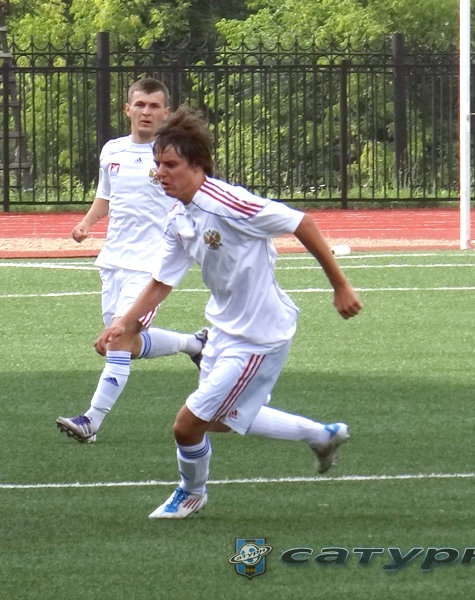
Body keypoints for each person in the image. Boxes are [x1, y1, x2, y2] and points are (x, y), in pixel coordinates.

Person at [95, 106, 363, 519]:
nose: (160, 173)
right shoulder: (178, 216)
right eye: (157, 164)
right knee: (226, 418)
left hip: (259, 336)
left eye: (170, 165)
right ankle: (321, 435)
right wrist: (123, 325)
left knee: (188, 424)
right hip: (222, 329)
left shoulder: (229, 203)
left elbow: (302, 223)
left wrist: (340, 285)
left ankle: (191, 493)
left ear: (197, 165)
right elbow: (161, 281)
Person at [56, 78, 207, 444]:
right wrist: (87, 223)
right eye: (140, 104)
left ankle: (91, 420)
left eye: (154, 106)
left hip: (152, 265)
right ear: (127, 109)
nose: (146, 112)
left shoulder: (171, 157)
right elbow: (105, 196)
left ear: (166, 112)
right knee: (127, 344)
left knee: (119, 339)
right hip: (114, 261)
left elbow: (196, 195)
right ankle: (195, 344)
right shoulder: (113, 151)